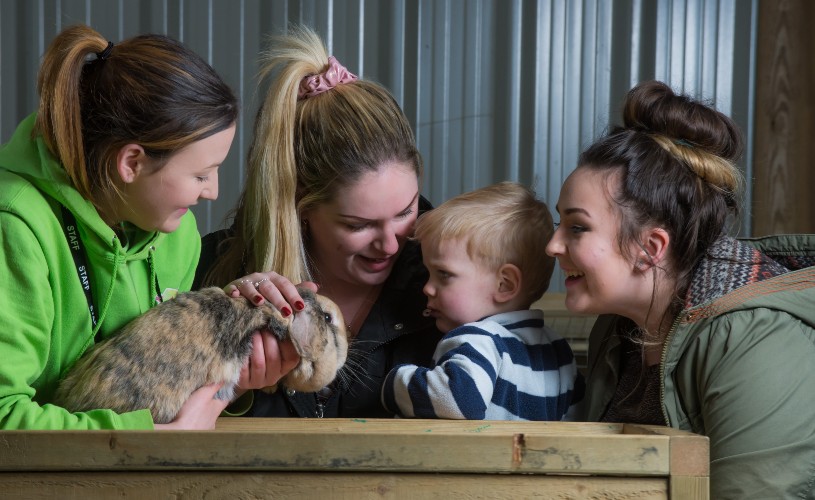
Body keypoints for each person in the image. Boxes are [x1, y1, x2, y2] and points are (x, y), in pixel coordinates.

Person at [546, 80, 815, 497]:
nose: (553, 245)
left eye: (577, 227)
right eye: (559, 222)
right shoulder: (618, 329)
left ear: (650, 247)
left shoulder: (753, 339)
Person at [0, 24, 255, 430]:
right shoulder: (14, 229)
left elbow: (162, 390)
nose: (213, 192)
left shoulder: (178, 237)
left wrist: (233, 372)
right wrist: (147, 438)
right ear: (132, 163)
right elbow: (3, 414)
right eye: (202, 174)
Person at [195, 25, 443, 418]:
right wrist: (228, 358)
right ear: (301, 208)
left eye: (405, 212)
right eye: (358, 225)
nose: (392, 245)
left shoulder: (453, 278)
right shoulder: (210, 269)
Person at [381, 182, 583, 420]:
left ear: (504, 284)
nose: (427, 287)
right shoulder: (558, 349)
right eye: (428, 273)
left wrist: (395, 383)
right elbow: (575, 418)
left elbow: (457, 400)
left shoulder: (478, 339)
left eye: (444, 274)